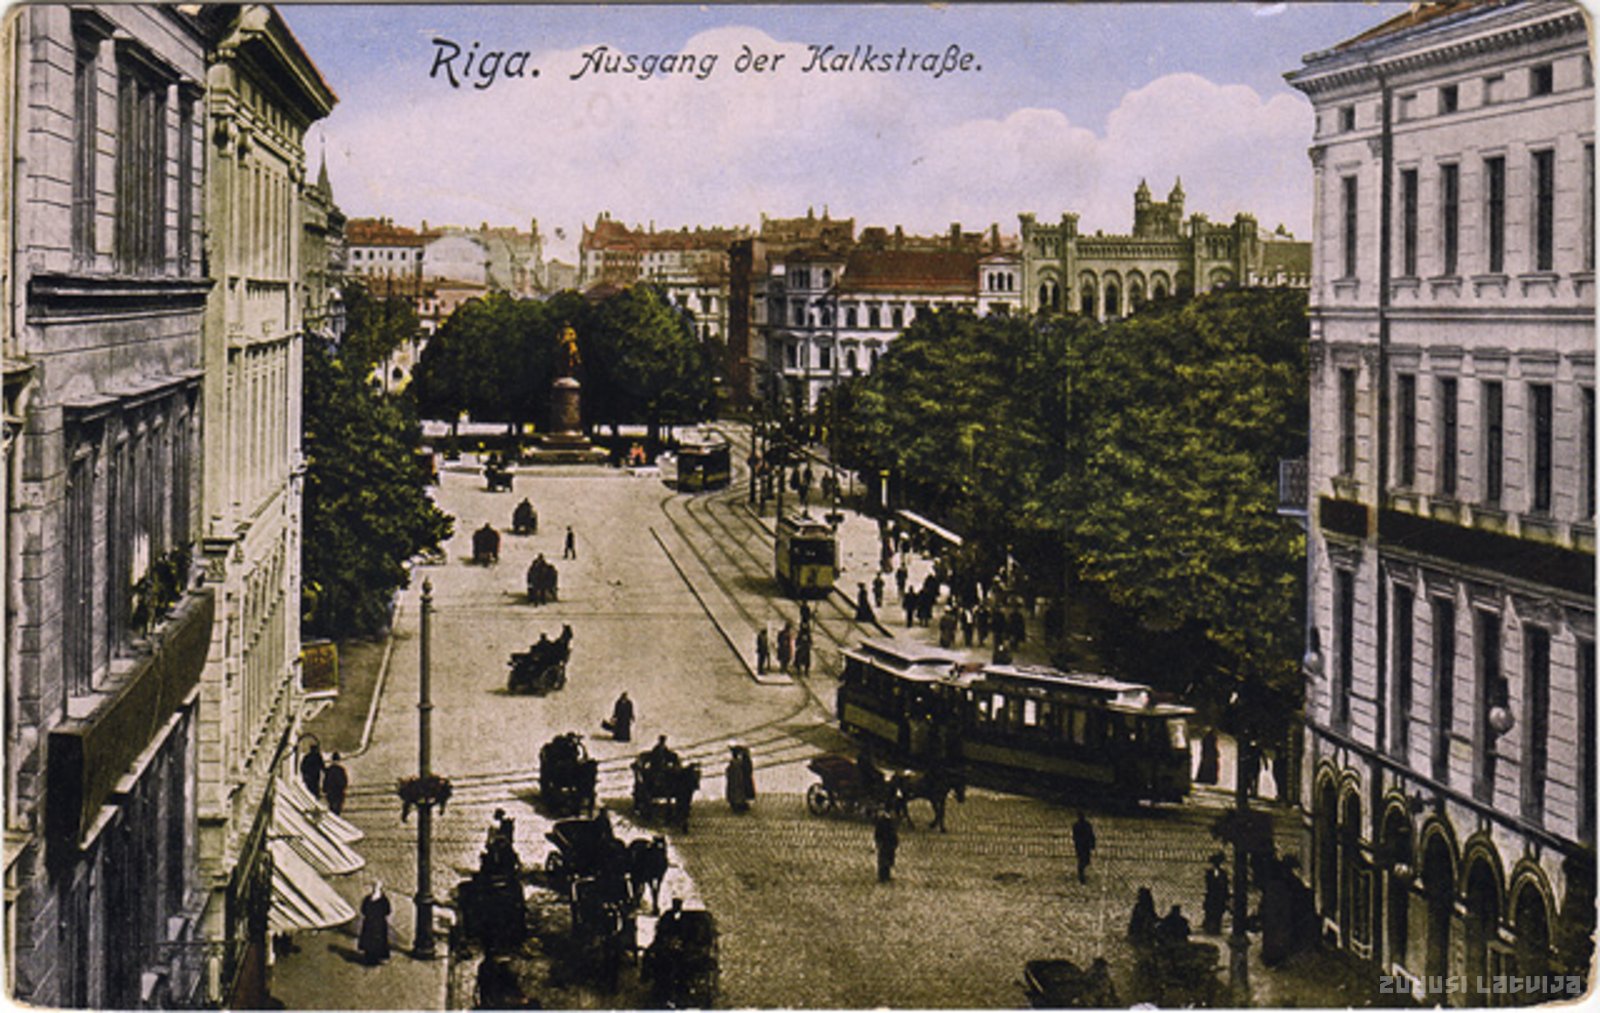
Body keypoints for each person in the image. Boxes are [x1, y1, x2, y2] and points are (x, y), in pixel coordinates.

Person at [358, 882, 391, 964]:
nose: (375, 889)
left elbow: (387, 910)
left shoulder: (383, 900)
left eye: (377, 887)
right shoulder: (368, 898)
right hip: (370, 922)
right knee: (369, 940)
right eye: (374, 887)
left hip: (379, 923)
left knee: (378, 941)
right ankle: (369, 957)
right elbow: (363, 909)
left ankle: (376, 958)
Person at [1202, 853, 1230, 935]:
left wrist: (1226, 895)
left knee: (1218, 913)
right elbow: (1209, 885)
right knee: (1211, 912)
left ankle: (1216, 928)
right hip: (1212, 896)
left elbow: (1225, 885)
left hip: (1220, 897)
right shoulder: (1209, 873)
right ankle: (1210, 928)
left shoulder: (1223, 873)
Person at [725, 741, 755, 813]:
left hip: (738, 782)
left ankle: (738, 803)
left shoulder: (736, 763)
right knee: (739, 790)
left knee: (737, 790)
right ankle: (739, 803)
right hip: (740, 781)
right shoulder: (740, 763)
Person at [873, 808, 899, 882]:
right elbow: (878, 833)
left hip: (889, 843)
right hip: (885, 843)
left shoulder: (890, 820)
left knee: (888, 859)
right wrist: (878, 842)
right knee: (883, 860)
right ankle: (882, 876)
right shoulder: (883, 820)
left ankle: (886, 875)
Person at [1072, 811, 1096, 884]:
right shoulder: (1078, 825)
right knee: (1082, 860)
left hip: (1084, 845)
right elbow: (1075, 836)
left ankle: (1081, 873)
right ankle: (1081, 875)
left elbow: (1091, 834)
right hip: (1082, 845)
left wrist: (1092, 843)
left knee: (1085, 860)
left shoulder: (1085, 825)